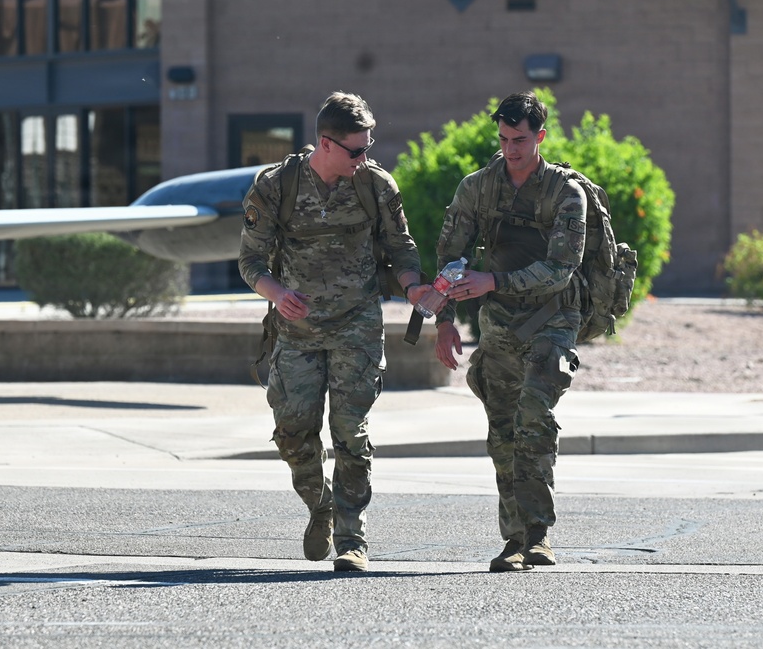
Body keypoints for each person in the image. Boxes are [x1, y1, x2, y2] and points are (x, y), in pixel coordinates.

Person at [238, 92, 425, 572]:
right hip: (296, 331)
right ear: (326, 144)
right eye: (356, 150)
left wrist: (412, 288)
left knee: (349, 432)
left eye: (368, 147)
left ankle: (351, 538)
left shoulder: (375, 185)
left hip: (356, 327)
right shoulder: (276, 186)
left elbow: (401, 249)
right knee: (294, 433)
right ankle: (318, 503)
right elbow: (250, 261)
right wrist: (276, 293)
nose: (365, 158)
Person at [430, 91, 587, 572]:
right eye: (503, 139)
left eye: (520, 139)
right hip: (497, 325)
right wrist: (443, 322)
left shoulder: (566, 194)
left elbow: (562, 269)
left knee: (532, 417)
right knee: (502, 433)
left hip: (552, 320)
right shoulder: (478, 188)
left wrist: (492, 281)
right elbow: (449, 257)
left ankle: (538, 536)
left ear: (541, 136)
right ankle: (513, 540)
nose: (511, 149)